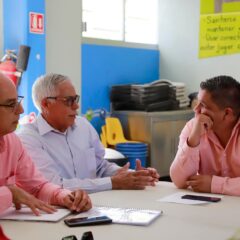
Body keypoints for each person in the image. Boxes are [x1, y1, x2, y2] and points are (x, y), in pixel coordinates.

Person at [18, 73, 159, 193]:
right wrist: (113, 182)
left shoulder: (83, 126)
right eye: (68, 101)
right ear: (46, 104)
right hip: (56, 213)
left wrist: (133, 176)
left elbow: (100, 167)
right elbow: (53, 186)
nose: (76, 106)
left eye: (76, 99)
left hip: (95, 206)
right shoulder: (29, 138)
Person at [0, 72, 92, 215]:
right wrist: (9, 193)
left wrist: (65, 196)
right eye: (11, 104)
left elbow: (38, 187)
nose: (21, 110)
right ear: (46, 104)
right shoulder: (27, 137)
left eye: (17, 102)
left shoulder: (12, 142)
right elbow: (14, 193)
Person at [170, 75, 240, 196]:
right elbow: (179, 181)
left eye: (203, 105)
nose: (196, 110)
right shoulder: (193, 127)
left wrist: (215, 185)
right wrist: (193, 139)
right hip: (209, 209)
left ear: (227, 113)